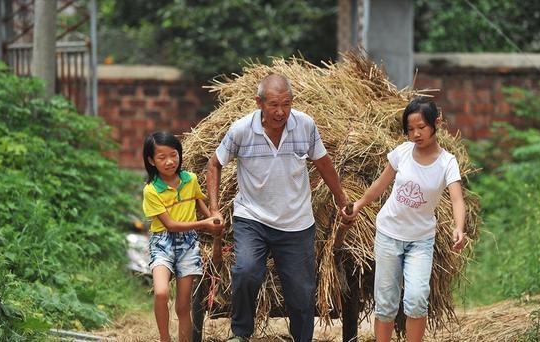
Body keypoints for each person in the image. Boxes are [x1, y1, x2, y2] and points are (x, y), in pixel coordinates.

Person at [206, 74, 351, 342]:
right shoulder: (241, 130)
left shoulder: (305, 125)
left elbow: (324, 163)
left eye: (286, 104)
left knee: (300, 290)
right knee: (247, 271)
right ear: (259, 102)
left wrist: (342, 201)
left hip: (296, 222)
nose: (280, 111)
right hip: (252, 217)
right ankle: (240, 333)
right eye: (273, 104)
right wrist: (215, 209)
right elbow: (214, 164)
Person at [345, 97, 467, 342]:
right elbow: (380, 184)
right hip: (389, 235)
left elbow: (456, 199)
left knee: (416, 299)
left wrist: (459, 228)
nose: (416, 134)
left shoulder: (447, 163)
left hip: (420, 241)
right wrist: (358, 204)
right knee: (386, 303)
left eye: (421, 127)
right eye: (410, 129)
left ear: (437, 123)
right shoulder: (402, 152)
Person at [142, 131, 224, 342]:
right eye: (162, 157)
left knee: (183, 306)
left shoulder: (190, 180)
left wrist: (213, 220)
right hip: (162, 243)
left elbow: (198, 201)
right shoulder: (151, 191)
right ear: (151, 161)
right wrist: (204, 224)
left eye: (174, 154)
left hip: (188, 245)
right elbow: (170, 224)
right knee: (161, 292)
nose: (170, 161)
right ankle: (164, 338)